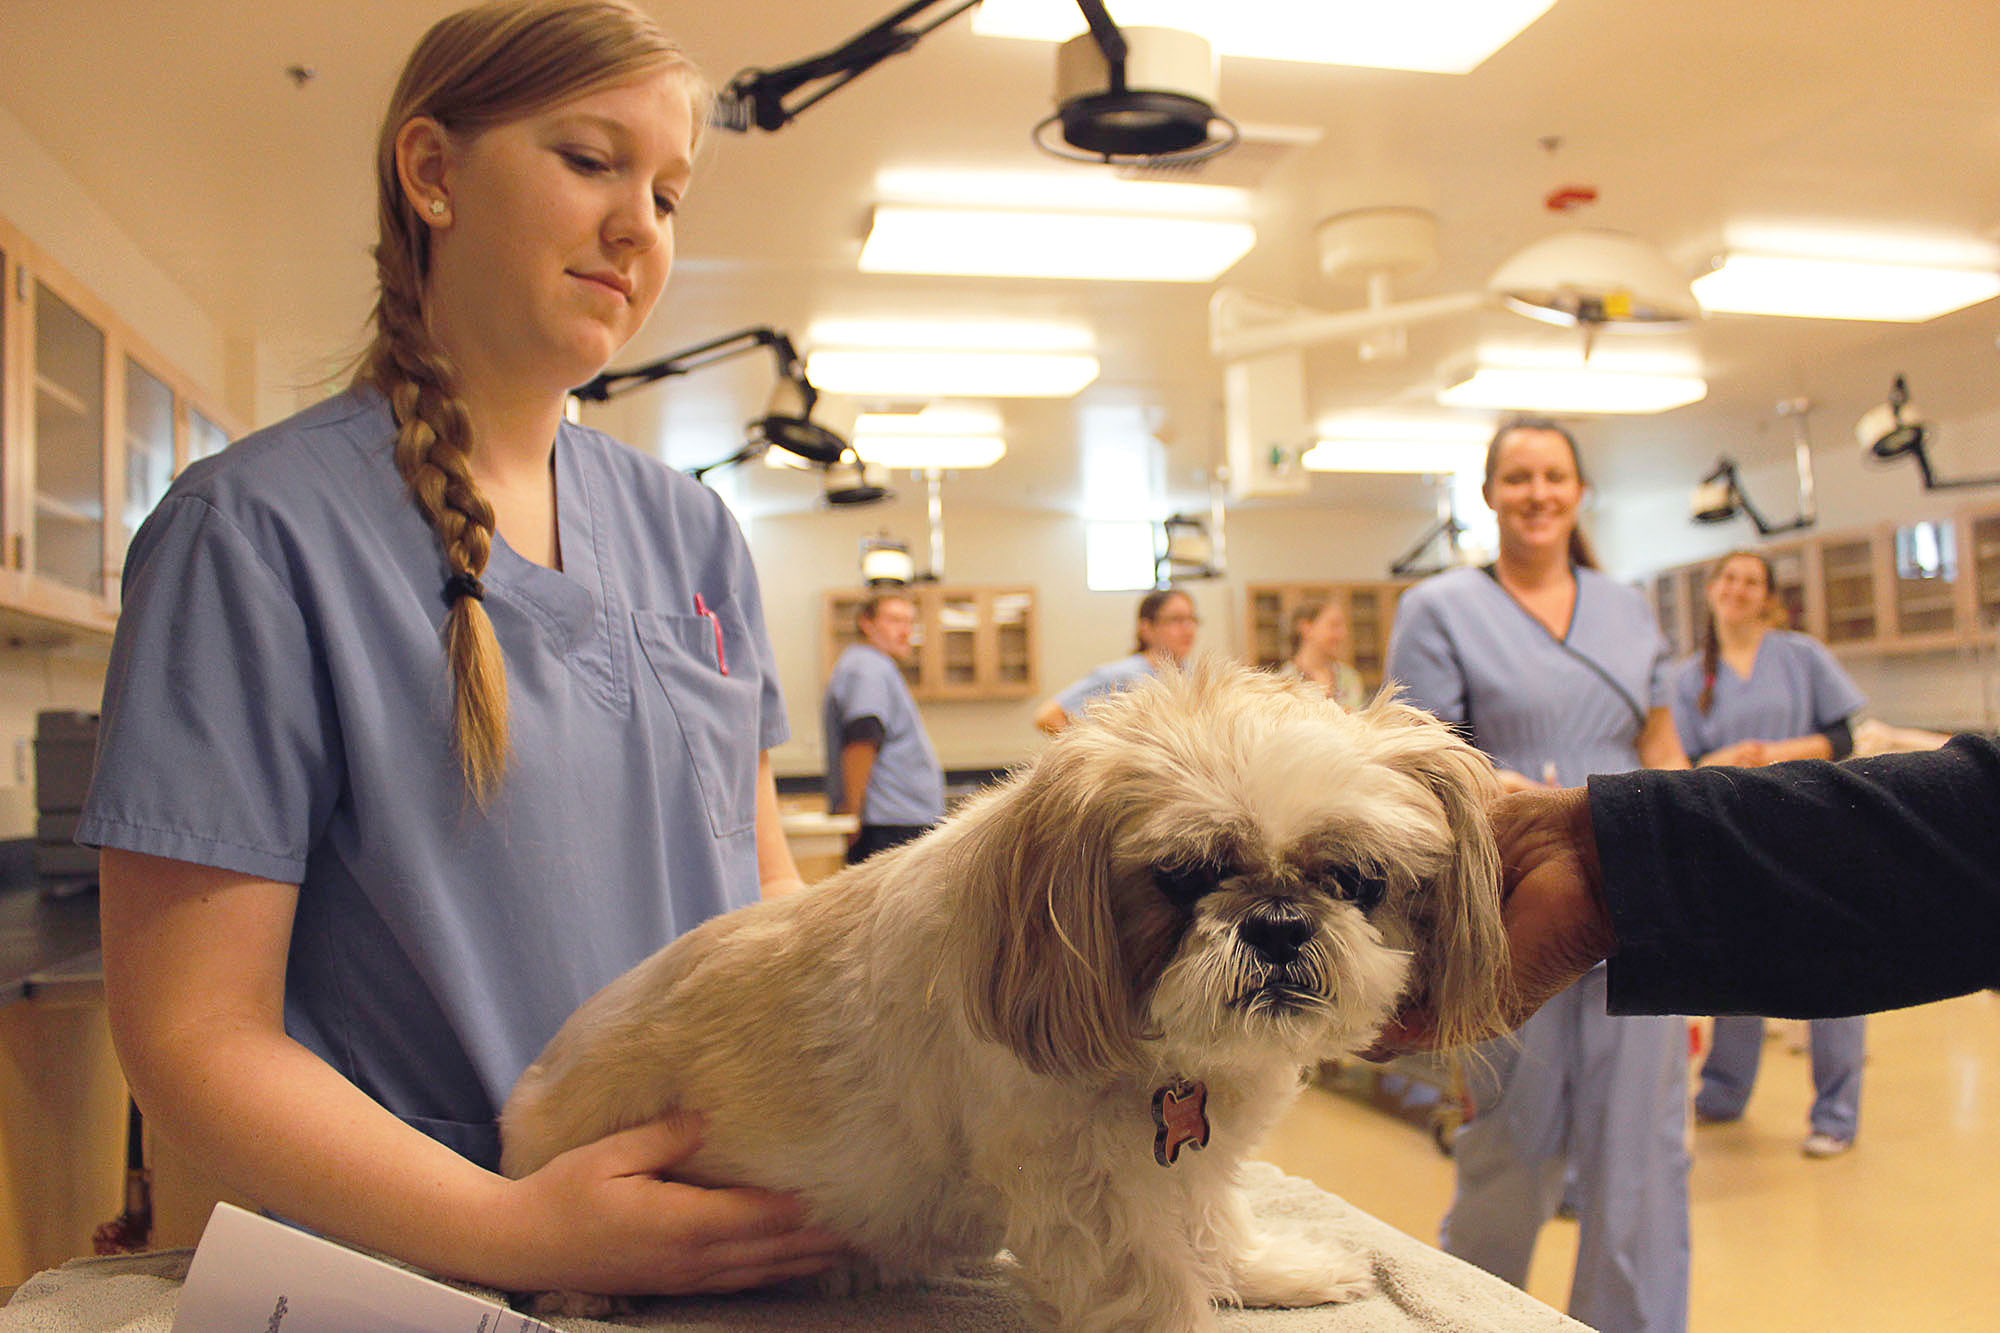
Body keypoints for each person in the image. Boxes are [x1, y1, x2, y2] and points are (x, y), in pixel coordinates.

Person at [75, 1, 845, 1301]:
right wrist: (521, 1231)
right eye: (592, 161)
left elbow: (764, 899)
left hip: (724, 1253)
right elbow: (193, 1042)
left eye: (668, 193)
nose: (638, 227)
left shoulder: (693, 532)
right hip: (422, 1277)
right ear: (432, 172)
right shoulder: (252, 536)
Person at [1385, 416, 1693, 1333]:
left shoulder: (1628, 606)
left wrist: (1684, 838)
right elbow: (1419, 755)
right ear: (1488, 494)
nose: (1537, 494)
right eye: (1517, 478)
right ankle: (1475, 1319)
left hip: (1637, 889)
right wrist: (1509, 791)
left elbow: (1662, 740)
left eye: (1554, 476)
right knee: (1511, 1149)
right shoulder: (1438, 608)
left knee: (1644, 1159)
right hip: (1509, 897)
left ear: (1580, 492)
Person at [1670, 550, 1869, 1158]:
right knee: (1739, 968)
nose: (1738, 589)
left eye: (1751, 582)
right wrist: (1722, 761)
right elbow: (1681, 761)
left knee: (1830, 971)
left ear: (1767, 596)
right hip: (1734, 837)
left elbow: (1843, 736)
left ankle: (1835, 1114)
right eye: (1729, 578)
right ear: (1712, 590)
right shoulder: (1687, 680)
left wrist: (1777, 752)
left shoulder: (1801, 656)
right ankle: (1724, 1094)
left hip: (1811, 829)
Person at [822, 591, 945, 863]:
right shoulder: (867, 667)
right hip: (888, 825)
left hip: (899, 820)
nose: (905, 631)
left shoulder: (879, 668)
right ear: (867, 623)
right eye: (894, 620)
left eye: (909, 622)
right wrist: (852, 813)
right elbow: (863, 736)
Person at [1033, 587, 1199, 734]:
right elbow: (1048, 716)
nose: (1188, 628)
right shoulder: (1122, 675)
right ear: (1146, 627)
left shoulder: (1194, 676)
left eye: (1191, 619)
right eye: (1176, 620)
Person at [1280, 599, 1367, 711]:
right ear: (1306, 627)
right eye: (1334, 625)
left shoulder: (1350, 678)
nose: (1343, 634)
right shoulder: (1284, 682)